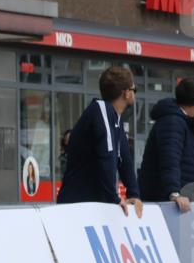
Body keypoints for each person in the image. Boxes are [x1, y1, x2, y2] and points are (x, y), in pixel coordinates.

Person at [57, 66, 142, 216]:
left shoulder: (116, 117)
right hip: (77, 204)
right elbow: (107, 156)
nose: (135, 93)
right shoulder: (101, 110)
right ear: (126, 93)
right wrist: (114, 198)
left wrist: (134, 194)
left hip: (93, 204)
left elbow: (125, 159)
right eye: (134, 89)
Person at [138, 77, 194, 212]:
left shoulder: (188, 122)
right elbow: (170, 159)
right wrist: (174, 192)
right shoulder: (172, 122)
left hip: (181, 199)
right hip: (165, 202)